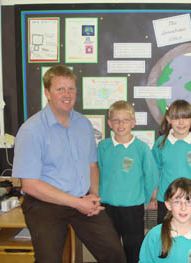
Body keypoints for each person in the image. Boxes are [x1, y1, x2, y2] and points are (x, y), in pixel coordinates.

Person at [12, 65, 126, 263]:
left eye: (71, 89)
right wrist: (77, 203)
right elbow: (30, 185)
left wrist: (94, 195)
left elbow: (92, 165)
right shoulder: (31, 130)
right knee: (49, 260)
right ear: (47, 93)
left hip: (82, 199)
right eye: (60, 89)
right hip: (45, 204)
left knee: (114, 254)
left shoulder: (83, 124)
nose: (67, 94)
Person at [98, 100, 159, 263]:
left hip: (133, 207)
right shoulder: (103, 147)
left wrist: (145, 199)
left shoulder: (141, 148)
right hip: (107, 207)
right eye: (116, 120)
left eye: (125, 120)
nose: (120, 124)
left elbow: (152, 176)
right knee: (110, 248)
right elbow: (98, 173)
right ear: (109, 123)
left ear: (133, 122)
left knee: (134, 249)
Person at [152, 100, 191, 226]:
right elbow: (155, 171)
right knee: (166, 239)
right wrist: (154, 196)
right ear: (168, 119)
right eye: (176, 118)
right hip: (166, 200)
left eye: (185, 117)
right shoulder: (161, 143)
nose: (181, 122)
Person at [139, 177, 191, 263]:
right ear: (168, 204)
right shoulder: (154, 236)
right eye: (177, 202)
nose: (183, 208)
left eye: (189, 202)